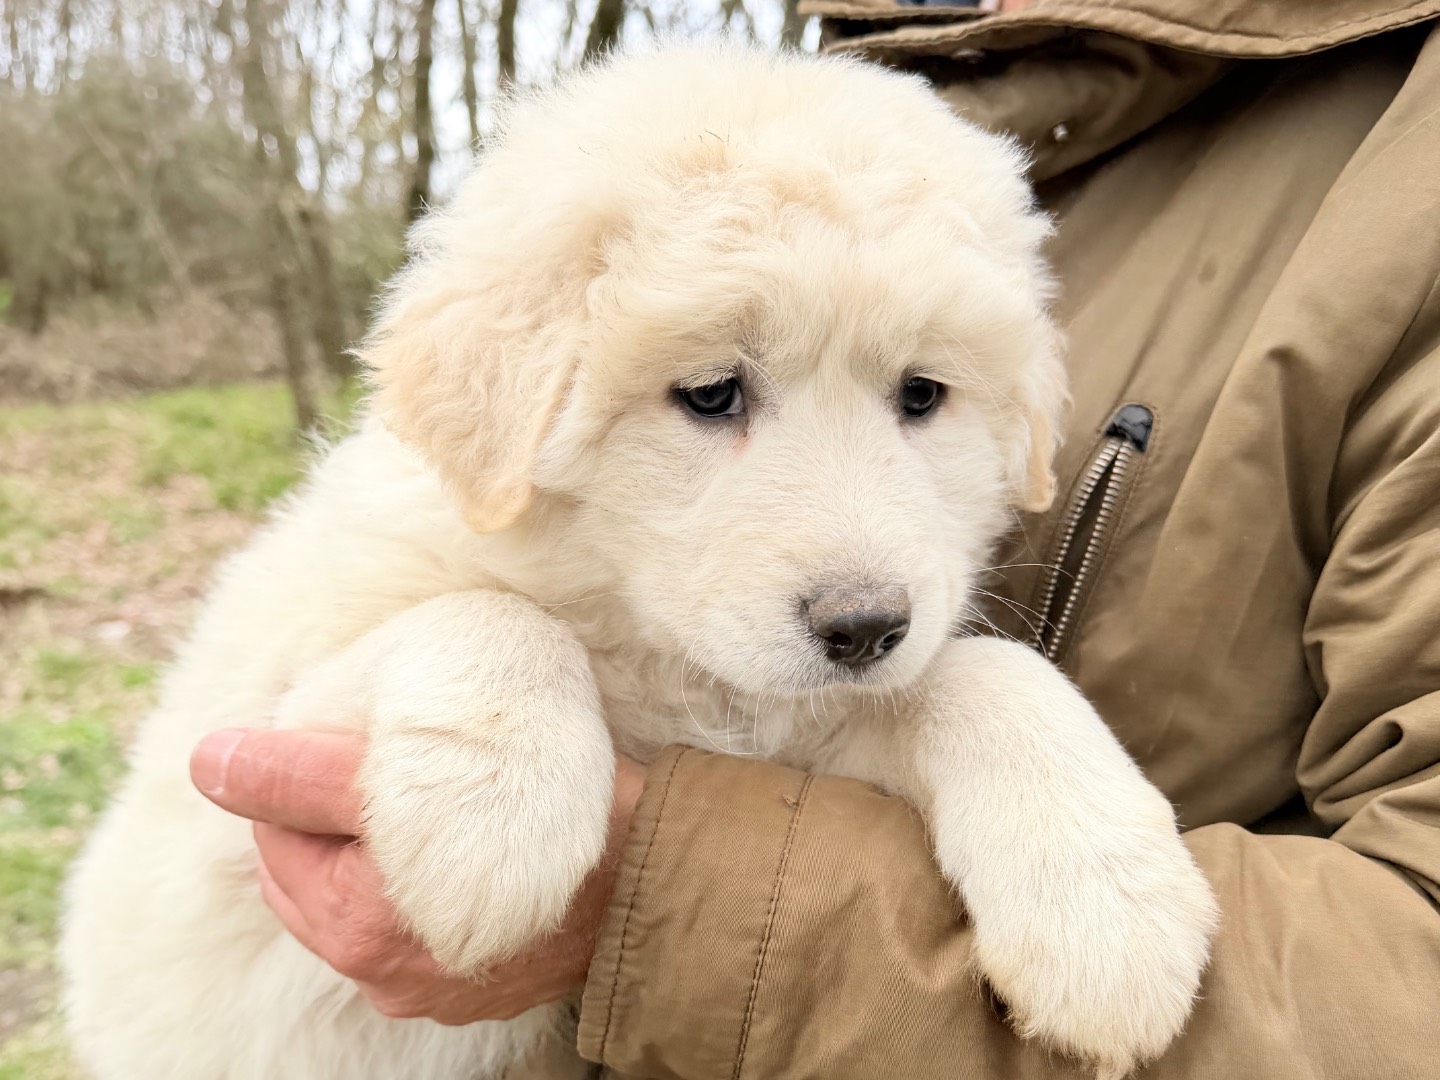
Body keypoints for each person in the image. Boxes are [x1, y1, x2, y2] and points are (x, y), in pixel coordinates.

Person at [187, 0, 1440, 1075]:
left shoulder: (1389, 167)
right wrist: (484, 663)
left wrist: (984, 716)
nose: (865, 578)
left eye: (920, 397)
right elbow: (280, 775)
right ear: (507, 389)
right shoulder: (882, 73)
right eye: (715, 396)